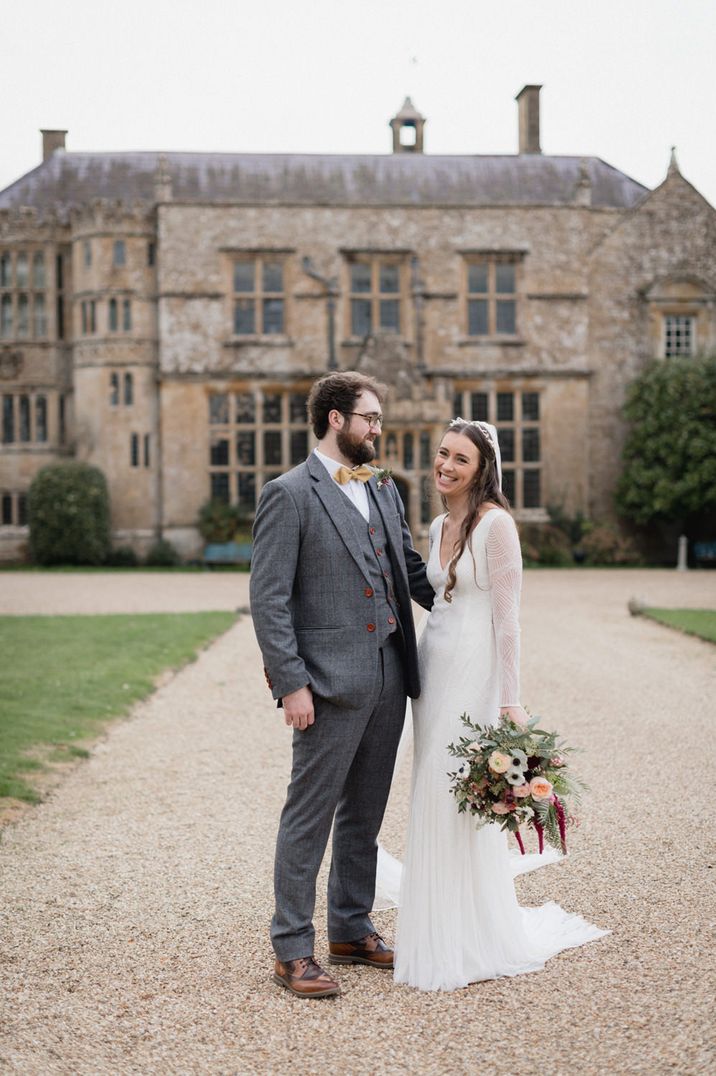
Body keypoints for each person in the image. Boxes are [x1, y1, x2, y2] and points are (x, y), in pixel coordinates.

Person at [393, 418, 608, 992]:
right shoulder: (438, 522)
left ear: (482, 467)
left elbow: (507, 620)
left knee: (457, 797)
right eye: (442, 454)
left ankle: (470, 935)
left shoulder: (497, 527)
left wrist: (510, 701)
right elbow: (433, 595)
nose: (446, 466)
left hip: (475, 671)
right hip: (432, 667)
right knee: (430, 791)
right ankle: (435, 924)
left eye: (460, 459)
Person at [250, 371, 434, 999]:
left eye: (378, 419)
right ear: (336, 419)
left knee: (366, 813)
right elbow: (269, 599)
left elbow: (408, 568)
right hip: (325, 683)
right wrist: (290, 684)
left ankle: (351, 928)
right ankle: (291, 948)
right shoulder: (289, 494)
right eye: (370, 418)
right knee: (309, 813)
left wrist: (474, 603)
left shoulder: (382, 487)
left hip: (389, 672)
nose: (377, 429)